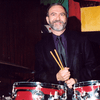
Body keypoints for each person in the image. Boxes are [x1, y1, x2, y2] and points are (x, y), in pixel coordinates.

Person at [34, 3, 96, 99]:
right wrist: (56, 77)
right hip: (53, 95)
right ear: (47, 19)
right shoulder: (40, 46)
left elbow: (93, 68)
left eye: (62, 14)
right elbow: (38, 74)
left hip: (80, 94)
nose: (58, 18)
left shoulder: (82, 39)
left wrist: (76, 79)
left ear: (66, 18)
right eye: (53, 14)